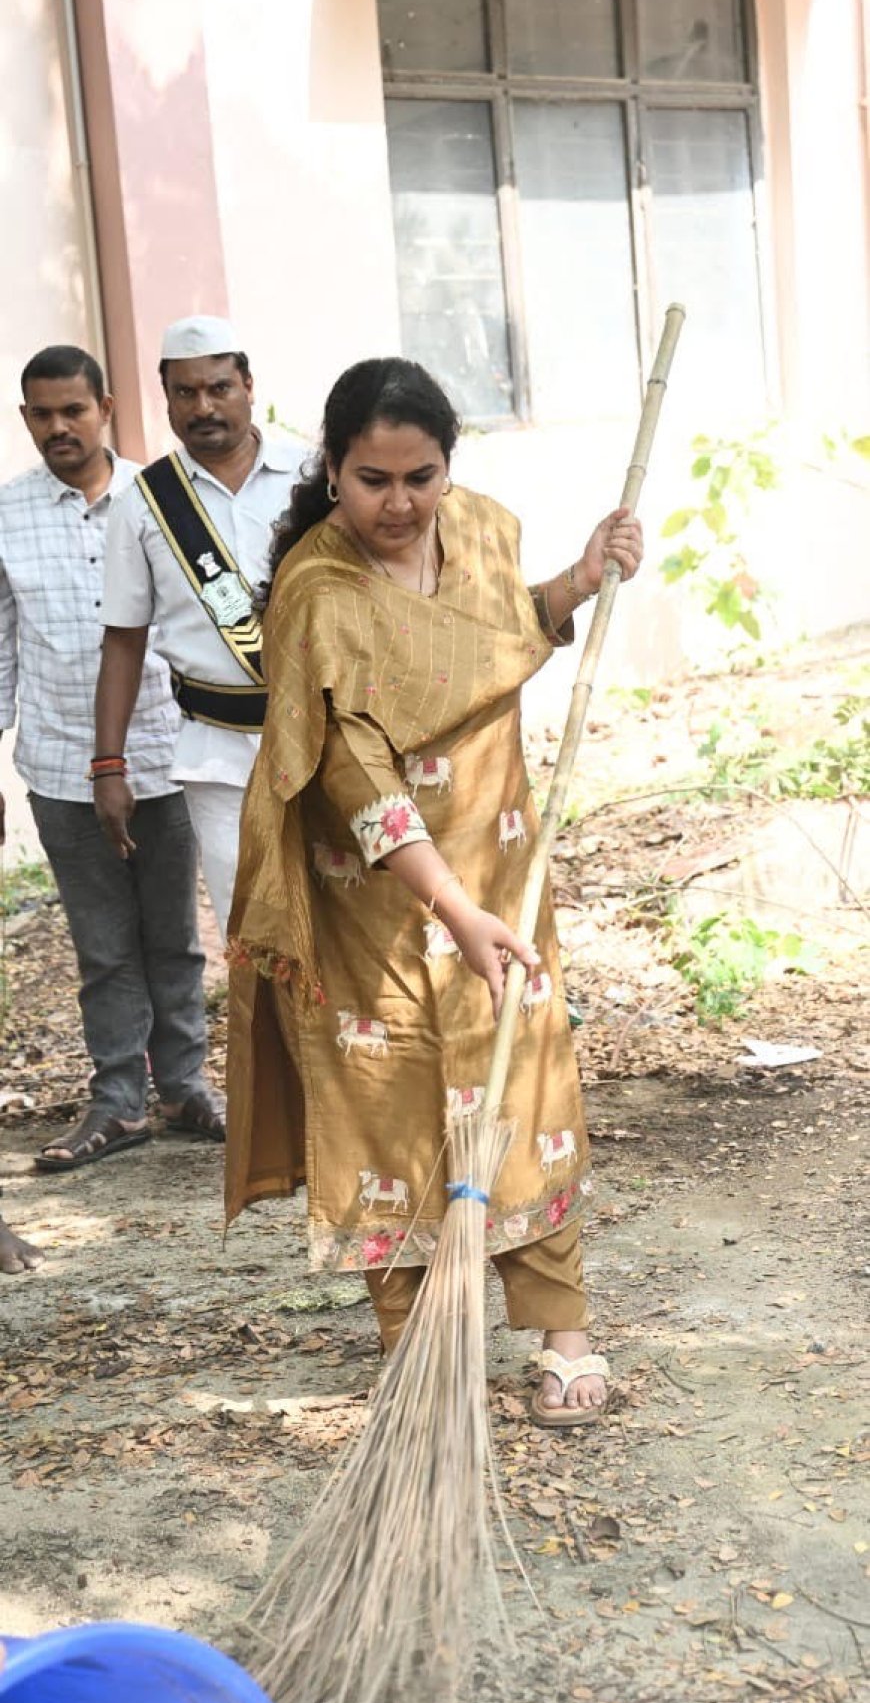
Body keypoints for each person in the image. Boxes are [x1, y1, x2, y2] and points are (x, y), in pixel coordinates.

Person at [224, 358, 643, 1427]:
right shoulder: (316, 594)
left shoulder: (488, 532)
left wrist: (581, 579)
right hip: (379, 899)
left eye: (421, 476)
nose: (399, 504)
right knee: (391, 1099)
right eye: (372, 479)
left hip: (502, 858)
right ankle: (421, 1347)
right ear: (330, 468)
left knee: (528, 1086)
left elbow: (508, 638)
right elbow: (354, 777)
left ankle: (564, 1329)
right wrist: (452, 909)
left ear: (450, 468)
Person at [0, 345, 224, 1172]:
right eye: (42, 414)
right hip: (59, 763)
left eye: (74, 410)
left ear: (107, 407)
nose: (60, 427)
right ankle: (119, 1100)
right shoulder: (7, 513)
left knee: (174, 934)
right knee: (102, 943)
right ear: (27, 420)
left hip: (168, 753)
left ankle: (186, 1084)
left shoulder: (163, 498)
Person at [95, 316, 307, 937]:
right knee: (252, 930)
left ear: (248, 384)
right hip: (217, 755)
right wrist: (108, 765)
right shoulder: (143, 502)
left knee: (343, 918)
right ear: (165, 399)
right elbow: (124, 639)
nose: (203, 406)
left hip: (324, 736)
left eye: (219, 388)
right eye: (185, 393)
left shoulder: (315, 476)